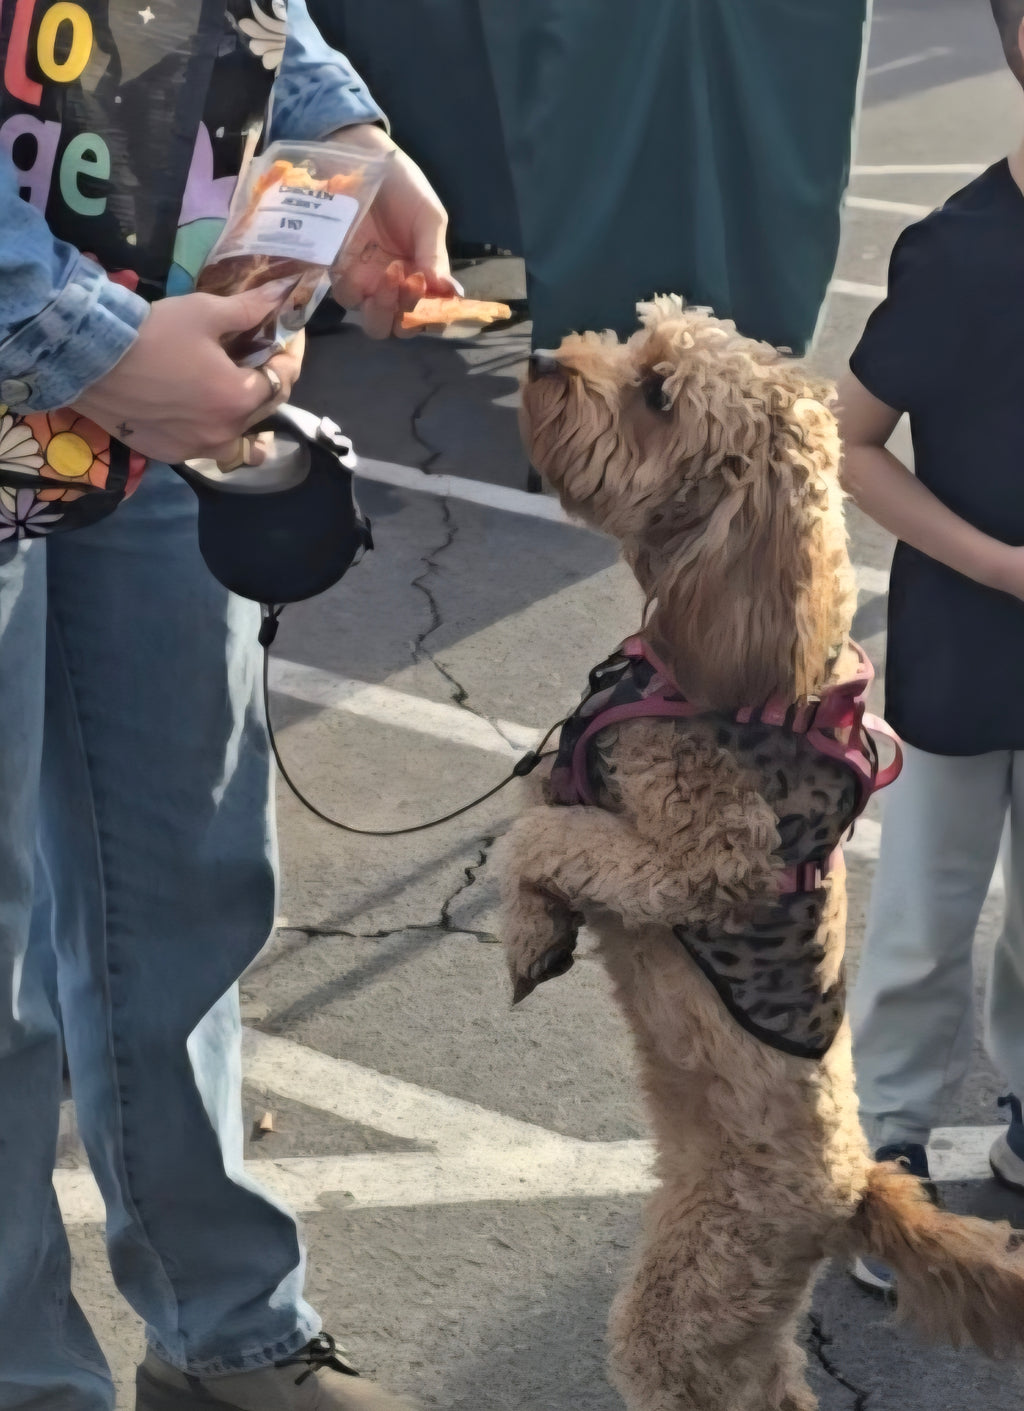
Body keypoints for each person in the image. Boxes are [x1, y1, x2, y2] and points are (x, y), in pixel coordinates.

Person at [0, 3, 456, 1408]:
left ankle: (229, 1340)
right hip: (79, 347)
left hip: (152, 392)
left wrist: (345, 150)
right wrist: (85, 336)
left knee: (183, 884)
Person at [837, 0, 1024, 1298]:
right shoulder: (959, 250)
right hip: (967, 636)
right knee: (922, 914)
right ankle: (880, 1150)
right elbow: (844, 442)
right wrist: (1002, 565)